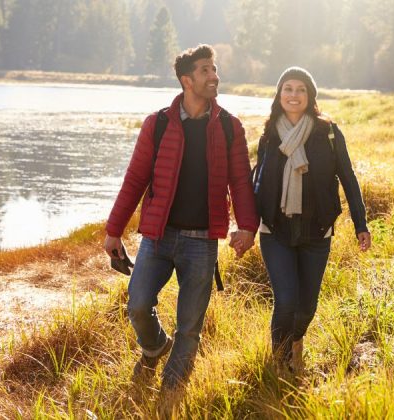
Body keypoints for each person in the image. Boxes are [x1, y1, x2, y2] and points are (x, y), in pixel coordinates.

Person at [104, 44, 258, 391]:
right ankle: (156, 346)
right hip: (158, 237)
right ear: (186, 80)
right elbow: (135, 179)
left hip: (203, 242)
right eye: (205, 70)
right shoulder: (157, 124)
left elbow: (241, 181)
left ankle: (171, 391)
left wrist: (247, 226)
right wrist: (114, 231)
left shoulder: (230, 127)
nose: (214, 76)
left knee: (189, 325)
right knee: (139, 303)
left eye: (214, 68)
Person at [253, 67, 371, 372]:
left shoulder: (327, 133)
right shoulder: (269, 133)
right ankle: (280, 365)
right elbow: (257, 181)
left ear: (310, 95)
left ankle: (296, 342)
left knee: (306, 308)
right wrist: (245, 224)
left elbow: (348, 177)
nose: (294, 95)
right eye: (288, 89)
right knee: (286, 301)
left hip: (317, 231)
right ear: (279, 95)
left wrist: (361, 223)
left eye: (300, 89)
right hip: (275, 231)